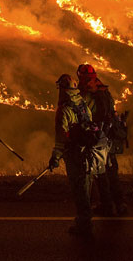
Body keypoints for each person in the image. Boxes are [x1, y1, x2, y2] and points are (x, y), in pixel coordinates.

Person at [50, 74, 102, 237]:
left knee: (79, 189)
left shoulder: (64, 110)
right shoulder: (82, 104)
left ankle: (84, 224)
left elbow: (61, 138)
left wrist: (55, 157)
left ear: (63, 90)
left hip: (74, 155)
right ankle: (85, 221)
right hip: (89, 153)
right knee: (86, 187)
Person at [76, 64, 127, 216]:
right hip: (108, 137)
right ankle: (120, 204)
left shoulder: (90, 93)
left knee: (101, 174)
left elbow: (87, 113)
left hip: (98, 139)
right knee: (112, 172)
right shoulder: (104, 90)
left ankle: (107, 206)